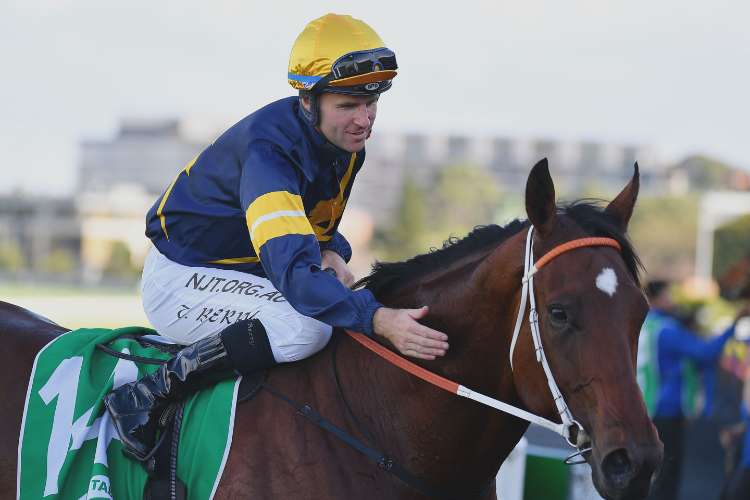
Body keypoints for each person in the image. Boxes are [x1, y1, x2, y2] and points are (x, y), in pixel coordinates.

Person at [104, 13, 450, 462]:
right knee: (307, 328)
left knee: (338, 299)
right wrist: (379, 319)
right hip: (181, 278)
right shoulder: (268, 155)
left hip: (243, 268)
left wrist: (330, 249)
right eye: (348, 105)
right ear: (308, 100)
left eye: (371, 102)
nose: (364, 120)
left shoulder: (343, 145)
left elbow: (315, 227)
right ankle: (150, 392)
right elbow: (296, 276)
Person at [638, 280, 736, 500]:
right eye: (668, 295)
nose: (673, 300)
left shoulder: (644, 325)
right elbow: (705, 352)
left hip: (645, 406)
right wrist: (733, 326)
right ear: (654, 299)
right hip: (667, 411)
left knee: (651, 474)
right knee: (667, 476)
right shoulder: (667, 329)